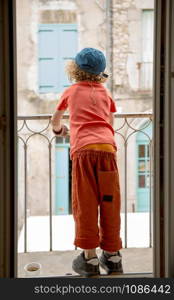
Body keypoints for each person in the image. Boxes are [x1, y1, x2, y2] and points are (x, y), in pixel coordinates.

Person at [51, 47, 123, 277]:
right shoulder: (105, 93)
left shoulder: (71, 91)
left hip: (83, 152)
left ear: (75, 69)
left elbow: (56, 121)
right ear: (101, 72)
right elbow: (109, 122)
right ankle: (113, 257)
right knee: (110, 203)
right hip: (107, 150)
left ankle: (90, 259)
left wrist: (62, 130)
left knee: (86, 204)